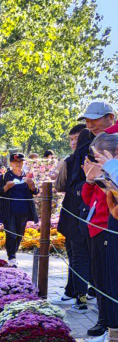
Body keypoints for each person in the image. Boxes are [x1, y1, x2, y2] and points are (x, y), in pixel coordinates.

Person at [59, 103, 116, 311]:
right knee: (98, 272)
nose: (90, 124)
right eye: (87, 120)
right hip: (91, 215)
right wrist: (90, 183)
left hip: (108, 218)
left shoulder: (110, 142)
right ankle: (105, 324)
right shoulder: (88, 143)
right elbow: (82, 186)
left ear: (111, 117)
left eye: (96, 119)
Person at [82, 132, 118, 342]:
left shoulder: (113, 168)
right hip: (99, 227)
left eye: (99, 157)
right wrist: (91, 179)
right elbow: (90, 199)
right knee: (104, 282)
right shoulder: (110, 170)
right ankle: (109, 329)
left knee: (112, 283)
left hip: (108, 228)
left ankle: (112, 332)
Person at [55, 124, 88, 304]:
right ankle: (78, 291)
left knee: (78, 254)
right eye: (71, 139)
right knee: (77, 253)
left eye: (77, 138)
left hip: (78, 213)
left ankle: (75, 293)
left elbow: (60, 185)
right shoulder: (72, 160)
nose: (74, 142)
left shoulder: (73, 160)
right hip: (76, 212)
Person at [0, 152, 38, 264]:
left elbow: (35, 191)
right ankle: (12, 257)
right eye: (16, 162)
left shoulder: (28, 175)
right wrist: (6, 187)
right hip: (9, 211)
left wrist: (32, 186)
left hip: (24, 211)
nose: (18, 164)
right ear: (11, 163)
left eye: (21, 162)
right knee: (11, 234)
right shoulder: (4, 177)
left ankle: (13, 255)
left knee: (19, 235)